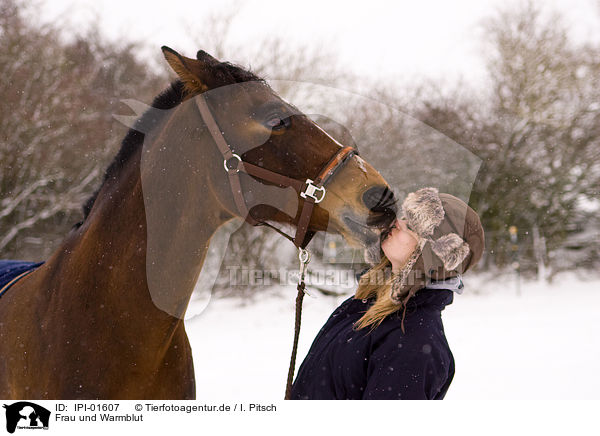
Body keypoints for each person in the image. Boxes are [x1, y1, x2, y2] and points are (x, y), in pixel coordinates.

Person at [290, 187, 485, 400]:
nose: (396, 223)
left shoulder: (416, 341)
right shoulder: (365, 303)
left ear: (431, 256)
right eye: (403, 217)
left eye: (410, 227)